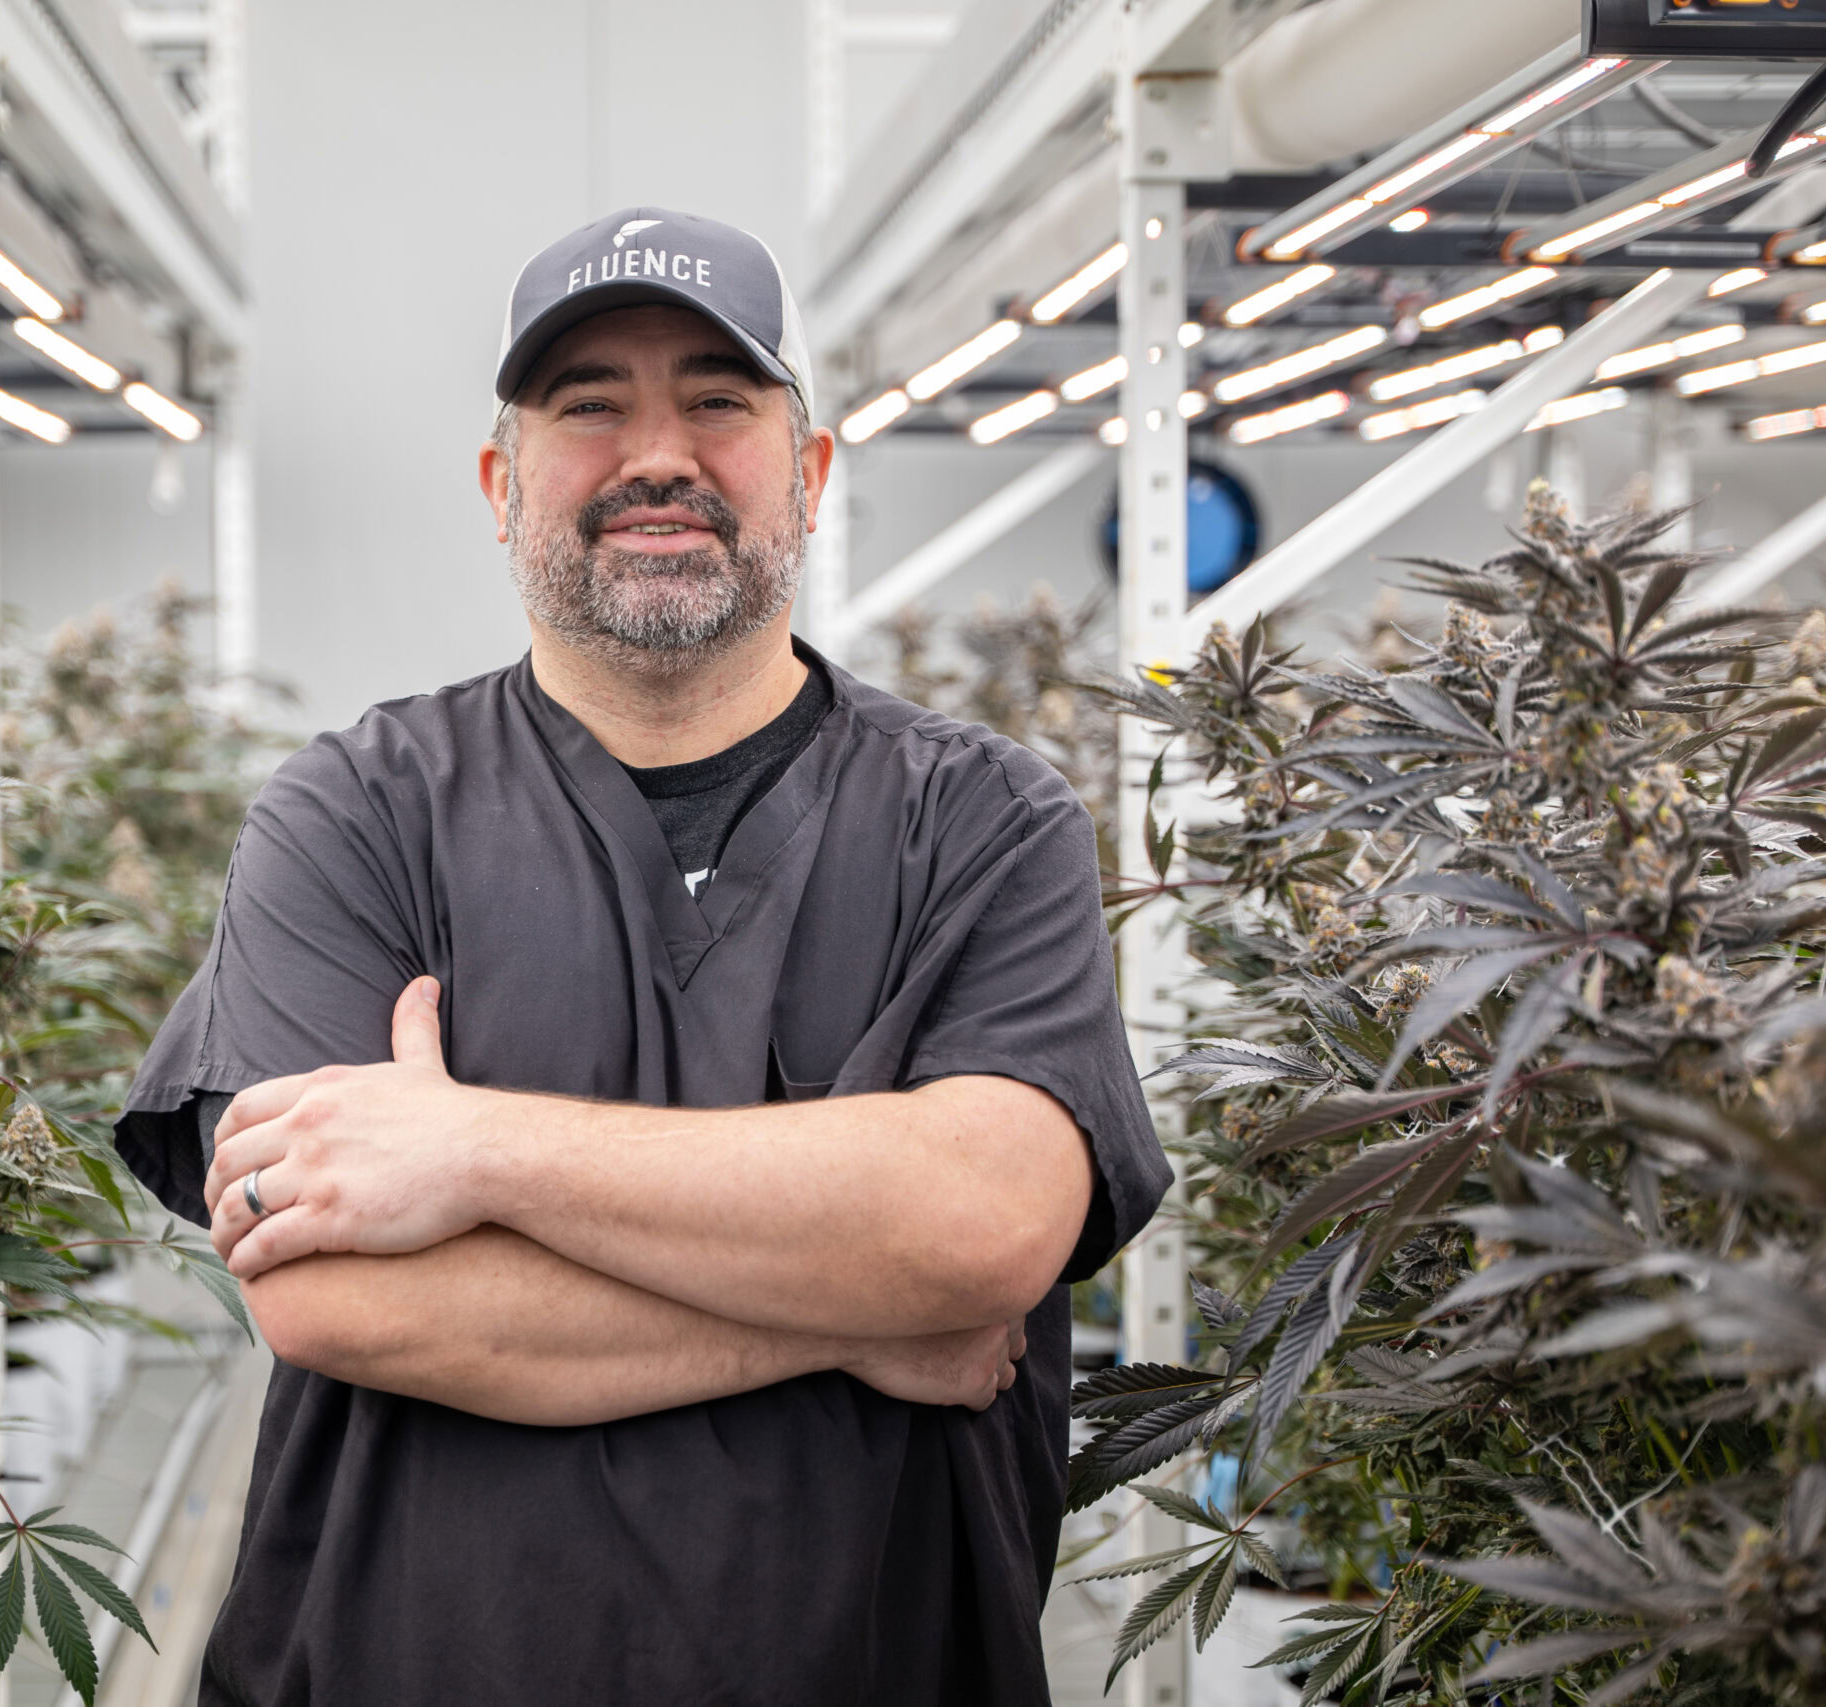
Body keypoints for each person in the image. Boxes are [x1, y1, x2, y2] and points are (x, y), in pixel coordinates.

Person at [114, 206, 1170, 1707]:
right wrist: (861, 1311)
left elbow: (983, 1229)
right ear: (503, 484)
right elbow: (336, 1298)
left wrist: (472, 1152)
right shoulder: (355, 813)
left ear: (807, 474)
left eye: (718, 404)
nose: (656, 453)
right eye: (590, 405)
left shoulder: (984, 823)